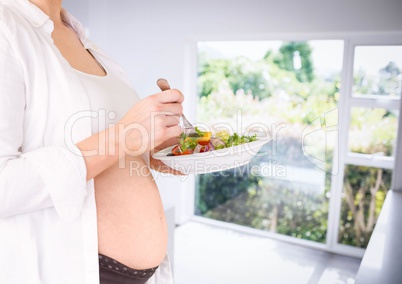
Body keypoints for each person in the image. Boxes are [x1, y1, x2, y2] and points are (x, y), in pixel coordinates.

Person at [0, 0, 184, 283]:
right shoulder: (6, 26)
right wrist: (124, 136)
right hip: (79, 270)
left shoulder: (81, 38)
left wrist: (151, 147)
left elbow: (105, 143)